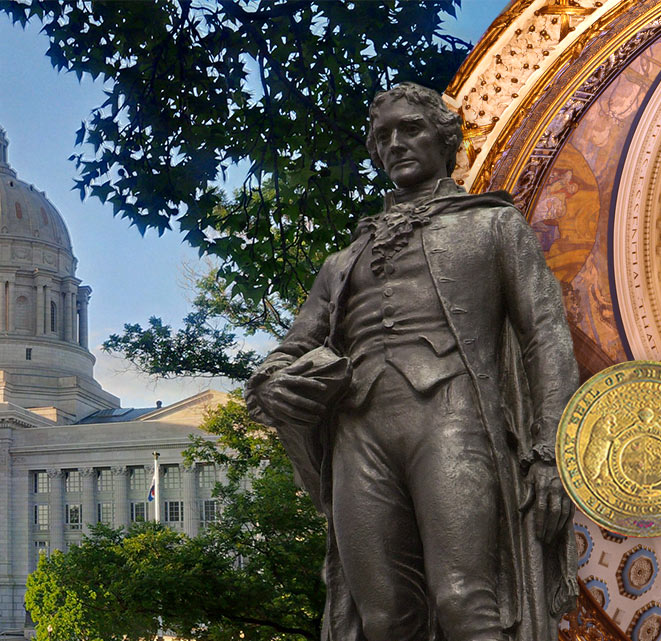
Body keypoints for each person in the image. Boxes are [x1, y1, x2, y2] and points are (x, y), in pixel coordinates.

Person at [245, 82, 578, 641]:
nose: (395, 143)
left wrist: (550, 451)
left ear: (446, 141)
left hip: (454, 417)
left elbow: (545, 335)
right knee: (382, 616)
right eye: (383, 137)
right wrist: (272, 383)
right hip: (360, 432)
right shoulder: (342, 260)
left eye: (410, 129)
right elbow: (291, 349)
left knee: (466, 600)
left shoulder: (493, 225)